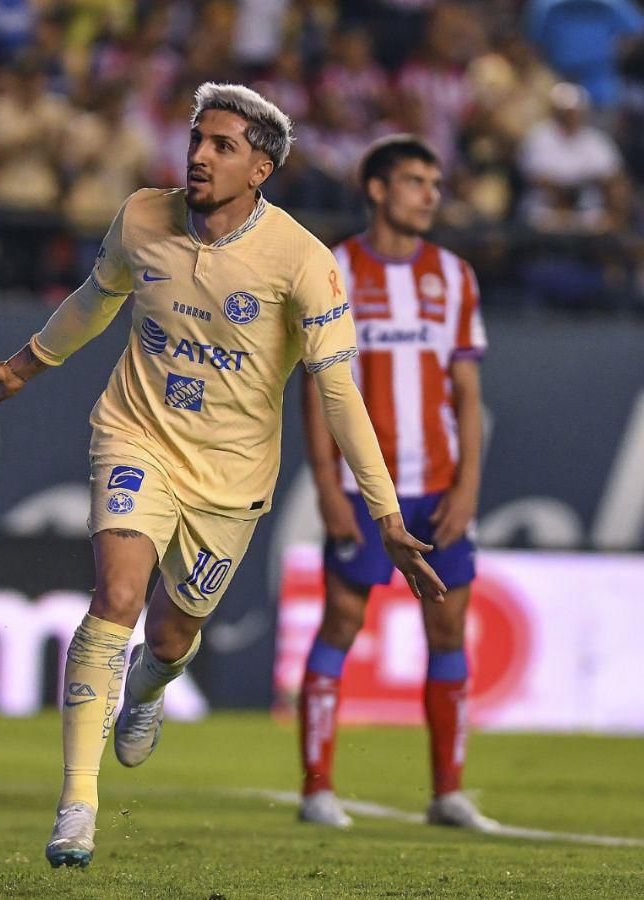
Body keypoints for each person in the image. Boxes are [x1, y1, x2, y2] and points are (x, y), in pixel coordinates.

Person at [0, 83, 446, 869]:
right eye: (197, 139)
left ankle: (147, 686)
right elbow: (95, 298)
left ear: (261, 170)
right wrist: (22, 366)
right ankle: (77, 803)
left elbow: (340, 394)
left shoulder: (303, 262)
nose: (199, 155)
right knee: (116, 594)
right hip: (135, 435)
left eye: (222, 146)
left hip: (232, 479)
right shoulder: (143, 216)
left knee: (175, 634)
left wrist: (385, 517)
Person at [296, 135, 492, 831]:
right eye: (415, 181)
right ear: (377, 189)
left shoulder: (455, 275)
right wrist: (324, 481)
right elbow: (319, 385)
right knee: (342, 622)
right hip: (361, 487)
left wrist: (468, 486)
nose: (430, 194)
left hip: (439, 486)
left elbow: (467, 392)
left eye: (435, 182)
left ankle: (448, 792)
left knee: (447, 627)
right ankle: (318, 787)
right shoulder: (335, 269)